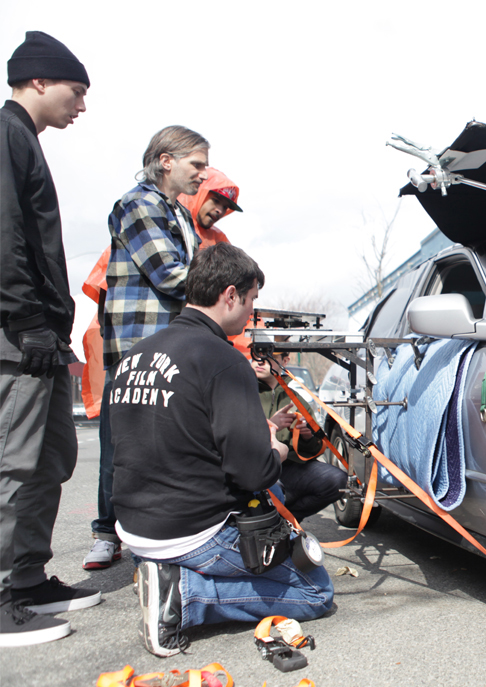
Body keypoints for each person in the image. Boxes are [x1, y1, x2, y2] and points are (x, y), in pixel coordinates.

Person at [109, 243, 335, 658]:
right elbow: (253, 474)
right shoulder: (223, 360)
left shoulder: (133, 357)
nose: (251, 313)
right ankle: (186, 596)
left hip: (134, 523)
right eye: (250, 300)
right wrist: (278, 452)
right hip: (192, 529)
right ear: (230, 295)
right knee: (316, 591)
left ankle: (166, 574)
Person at [81, 167, 245, 570]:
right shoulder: (154, 220)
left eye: (227, 206)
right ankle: (107, 531)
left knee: (181, 447)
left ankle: (171, 536)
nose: (220, 210)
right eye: (216, 200)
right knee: (119, 445)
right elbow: (111, 289)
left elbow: (231, 308)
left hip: (188, 361)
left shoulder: (216, 243)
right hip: (138, 350)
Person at [1, 30, 101, 647]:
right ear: (38, 80)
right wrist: (27, 320)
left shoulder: (26, 141)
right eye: (76, 91)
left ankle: (28, 579)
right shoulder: (5, 134)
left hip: (43, 336)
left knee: (50, 459)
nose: (81, 106)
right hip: (18, 333)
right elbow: (4, 237)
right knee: (13, 463)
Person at [254, 351, 350, 522]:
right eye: (256, 354)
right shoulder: (241, 392)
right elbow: (230, 436)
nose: (260, 361)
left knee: (336, 480)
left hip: (288, 468)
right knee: (269, 493)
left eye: (269, 357)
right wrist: (270, 424)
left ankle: (286, 521)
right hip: (253, 469)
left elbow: (316, 450)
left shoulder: (296, 399)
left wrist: (308, 437)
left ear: (285, 360)